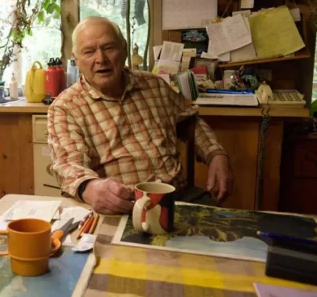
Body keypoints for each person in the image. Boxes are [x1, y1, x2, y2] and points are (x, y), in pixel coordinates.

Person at [48, 16, 234, 215]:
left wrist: (216, 154)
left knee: (226, 237)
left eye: (109, 48)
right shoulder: (66, 107)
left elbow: (190, 122)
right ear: (76, 60)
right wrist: (90, 187)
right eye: (89, 52)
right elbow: (68, 163)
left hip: (178, 196)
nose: (101, 59)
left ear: (124, 49)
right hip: (123, 206)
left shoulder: (155, 85)